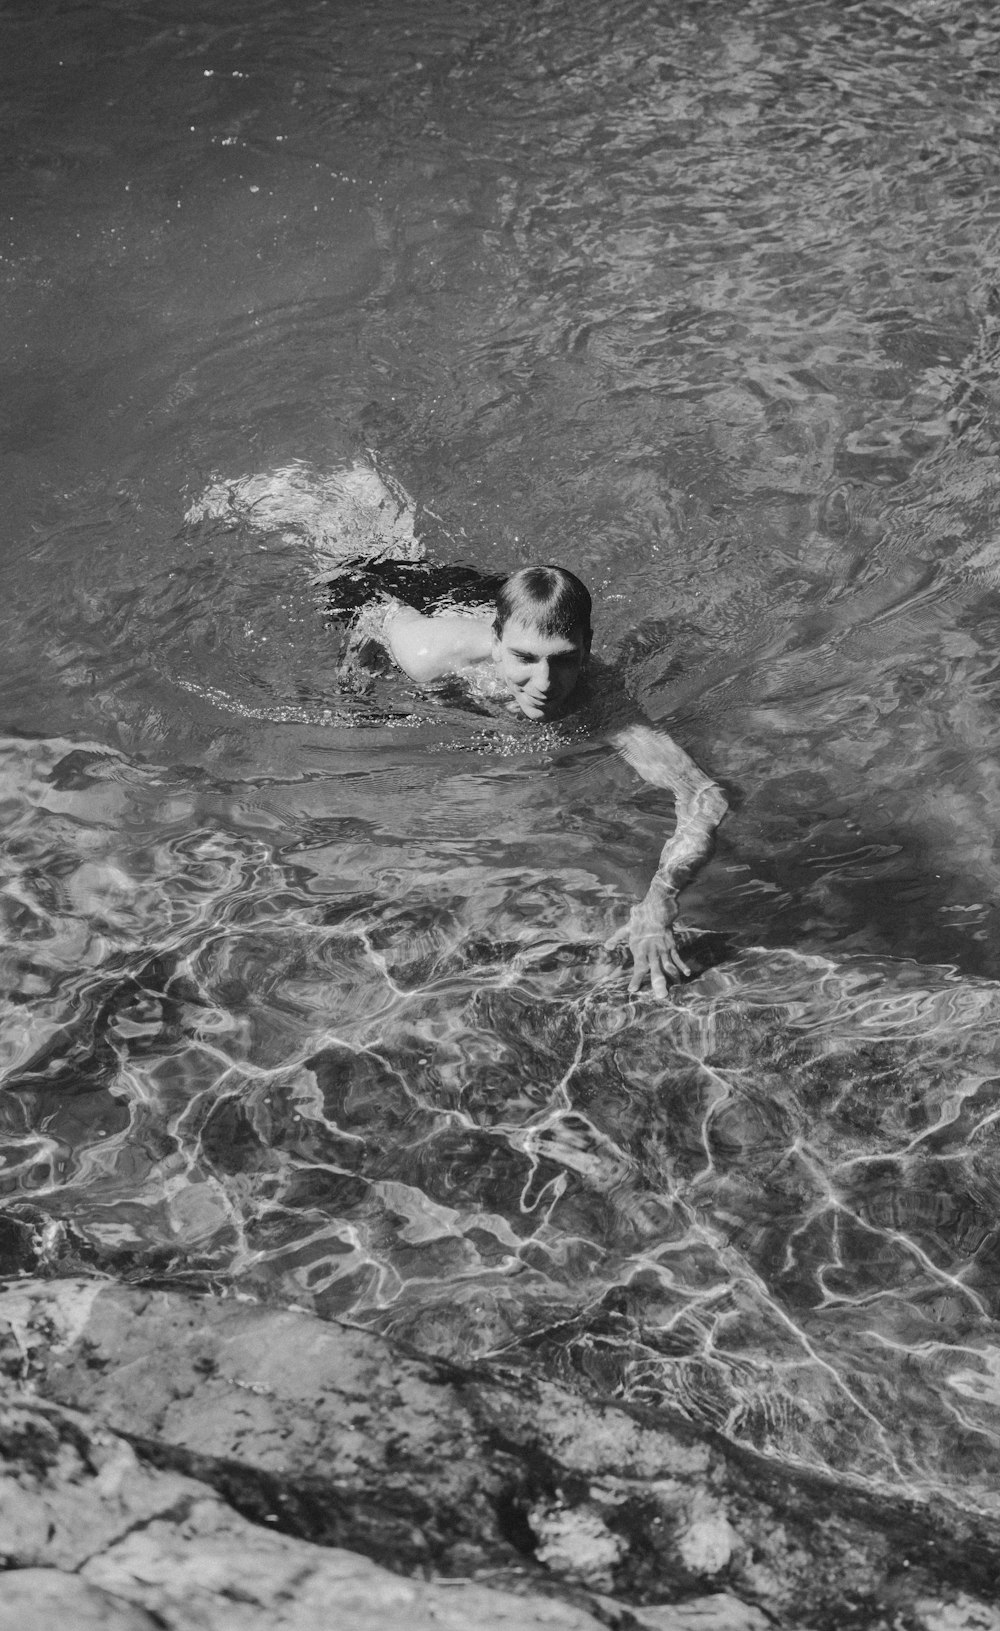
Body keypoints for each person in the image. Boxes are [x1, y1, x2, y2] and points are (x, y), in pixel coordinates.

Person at [377, 564, 728, 999]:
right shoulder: (426, 655)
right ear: (496, 641)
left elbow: (704, 798)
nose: (545, 684)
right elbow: (374, 606)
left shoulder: (601, 699)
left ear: (587, 648)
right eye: (525, 658)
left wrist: (660, 902)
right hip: (406, 599)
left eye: (563, 660)